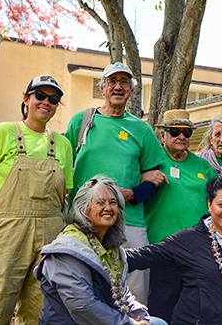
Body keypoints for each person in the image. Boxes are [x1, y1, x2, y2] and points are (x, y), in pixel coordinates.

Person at [0, 75, 73, 325]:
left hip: (51, 233)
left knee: (41, 307)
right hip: (8, 232)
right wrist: (10, 210)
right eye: (40, 95)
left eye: (53, 99)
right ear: (26, 99)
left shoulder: (63, 144)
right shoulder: (2, 132)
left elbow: (65, 193)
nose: (46, 102)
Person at [126, 161, 222, 325]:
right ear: (209, 205)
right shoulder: (188, 239)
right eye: (221, 204)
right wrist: (100, 250)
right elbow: (143, 256)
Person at [65, 62, 166, 303]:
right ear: (102, 88)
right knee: (83, 289)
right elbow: (63, 167)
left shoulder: (141, 129)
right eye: (112, 81)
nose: (118, 87)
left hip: (129, 221)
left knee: (135, 289)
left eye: (124, 82)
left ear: (132, 91)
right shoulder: (82, 121)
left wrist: (130, 193)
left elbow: (155, 179)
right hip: (83, 221)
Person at [35, 175, 167, 325]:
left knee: (157, 323)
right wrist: (129, 323)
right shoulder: (68, 249)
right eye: (100, 202)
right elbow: (83, 306)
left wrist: (141, 317)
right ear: (83, 209)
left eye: (113, 202)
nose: (108, 208)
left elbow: (122, 295)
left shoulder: (110, 247)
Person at [143, 109, 218, 321]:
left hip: (197, 249)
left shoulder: (202, 164)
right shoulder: (151, 160)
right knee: (161, 305)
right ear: (162, 135)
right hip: (163, 247)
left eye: (187, 133)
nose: (181, 137)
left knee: (193, 308)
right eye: (175, 131)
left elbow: (217, 197)